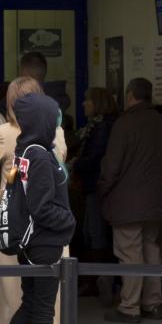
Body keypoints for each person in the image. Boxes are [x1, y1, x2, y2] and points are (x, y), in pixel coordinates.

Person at [0, 92, 75, 324]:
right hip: (44, 241)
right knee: (43, 310)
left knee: (29, 305)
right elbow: (42, 206)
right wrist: (69, 221)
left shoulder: (25, 150)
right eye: (54, 117)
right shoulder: (39, 155)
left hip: (29, 241)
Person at [98, 78, 162, 324]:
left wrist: (102, 189)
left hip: (127, 204)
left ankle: (129, 307)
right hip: (155, 202)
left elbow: (111, 167)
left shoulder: (124, 124)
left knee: (129, 253)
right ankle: (153, 304)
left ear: (130, 95)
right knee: (151, 250)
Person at [69, 87, 119, 300]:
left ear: (97, 103)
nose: (83, 104)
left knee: (94, 233)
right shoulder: (95, 126)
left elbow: (95, 158)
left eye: (87, 100)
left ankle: (96, 281)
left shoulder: (101, 127)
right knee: (91, 232)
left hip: (97, 187)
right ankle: (94, 280)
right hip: (92, 187)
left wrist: (75, 164)